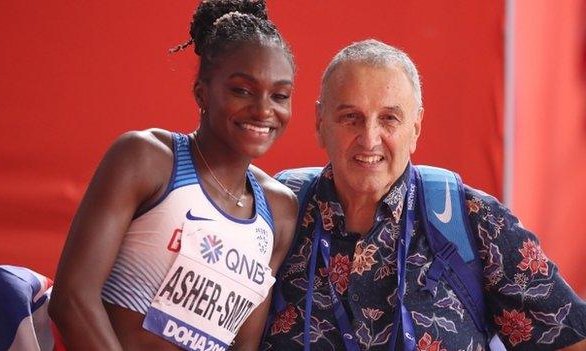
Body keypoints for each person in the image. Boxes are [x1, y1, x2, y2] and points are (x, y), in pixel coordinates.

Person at [262, 39, 586, 350]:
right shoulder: (278, 214)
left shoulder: (474, 221)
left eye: (389, 118)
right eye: (351, 118)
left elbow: (571, 339)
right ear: (320, 123)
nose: (369, 138)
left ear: (415, 128)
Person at [48, 1, 297, 350]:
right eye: (242, 90)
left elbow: (243, 345)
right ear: (202, 93)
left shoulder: (279, 210)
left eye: (280, 95)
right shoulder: (146, 159)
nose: (263, 109)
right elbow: (72, 300)